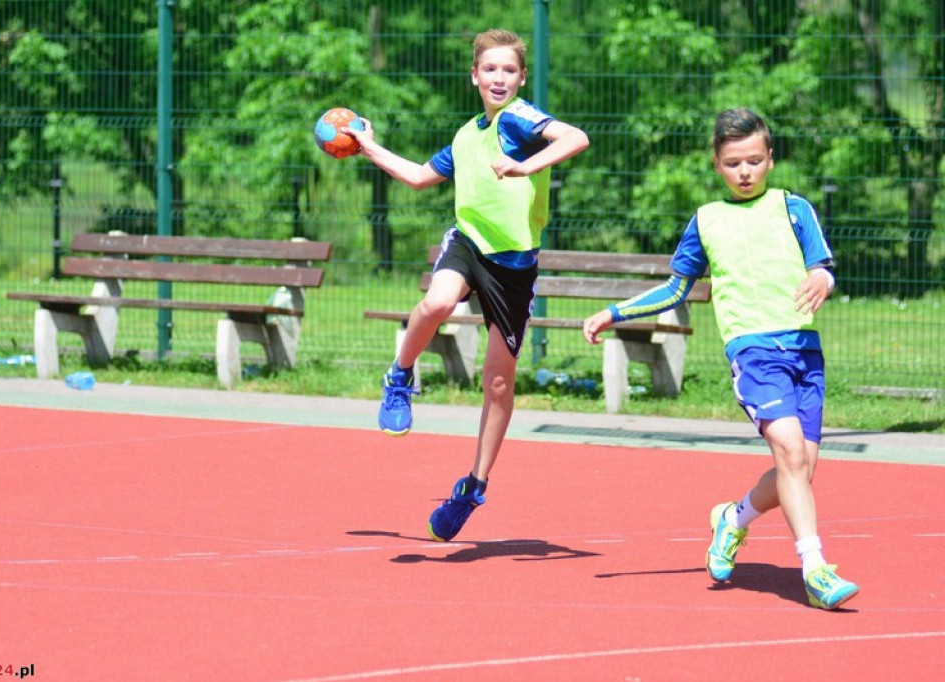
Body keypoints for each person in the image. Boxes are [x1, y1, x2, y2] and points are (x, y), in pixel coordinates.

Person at [581, 108, 858, 610]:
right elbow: (675, 289)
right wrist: (613, 312)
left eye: (754, 160)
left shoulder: (794, 208)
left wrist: (825, 279)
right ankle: (815, 569)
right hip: (752, 352)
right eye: (734, 163)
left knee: (800, 468)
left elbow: (823, 266)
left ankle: (733, 519)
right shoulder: (707, 220)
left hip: (803, 351)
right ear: (717, 165)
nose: (745, 171)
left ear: (770, 159)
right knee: (791, 455)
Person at [344, 28, 590, 542]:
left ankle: (474, 487)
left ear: (521, 77)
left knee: (498, 382)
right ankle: (400, 376)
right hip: (469, 243)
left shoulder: (521, 120)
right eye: (490, 69)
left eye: (509, 70)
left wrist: (525, 165)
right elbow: (416, 177)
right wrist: (368, 147)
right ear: (474, 76)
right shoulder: (465, 135)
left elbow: (575, 138)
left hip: (514, 266)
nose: (499, 78)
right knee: (436, 301)